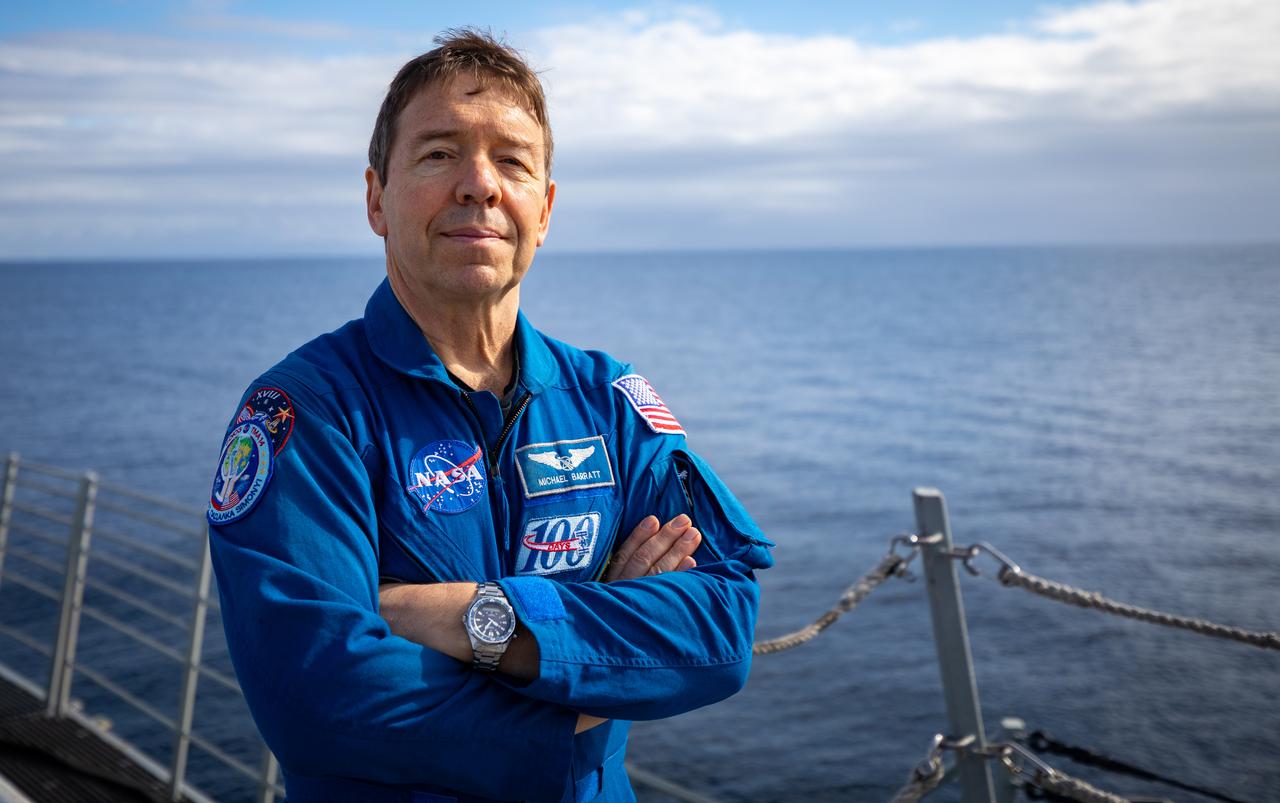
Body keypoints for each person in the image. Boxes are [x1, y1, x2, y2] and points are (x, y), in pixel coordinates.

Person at [206, 29, 773, 803]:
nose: (479, 185)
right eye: (438, 154)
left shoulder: (610, 400)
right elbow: (318, 700)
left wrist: (482, 618)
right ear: (376, 198)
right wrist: (598, 666)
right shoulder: (307, 412)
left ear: (544, 207)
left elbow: (720, 627)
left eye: (511, 159)